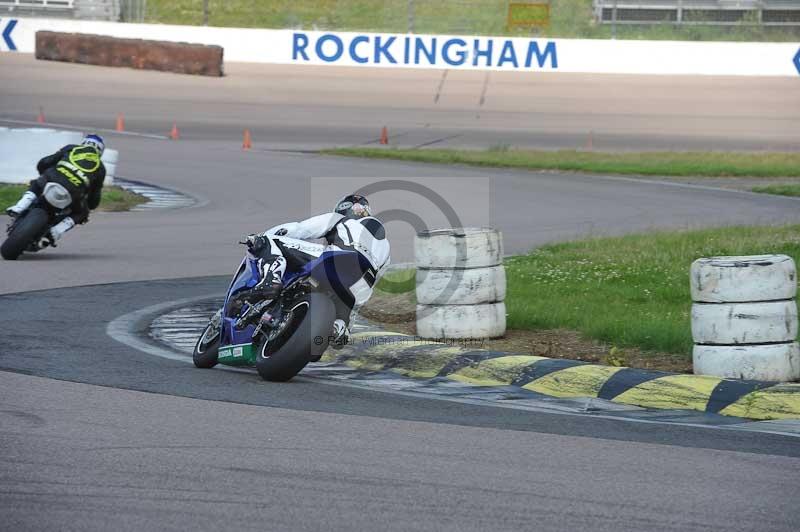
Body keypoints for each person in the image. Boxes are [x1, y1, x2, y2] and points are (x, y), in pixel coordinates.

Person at [217, 194, 391, 348]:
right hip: (359, 285)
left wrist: (259, 238)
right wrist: (348, 320)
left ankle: (271, 280)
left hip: (337, 260)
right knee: (332, 331)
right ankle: (339, 327)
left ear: (342, 209)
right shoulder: (386, 247)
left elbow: (300, 230)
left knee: (269, 240)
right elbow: (370, 285)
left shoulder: (339, 219)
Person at [6, 134, 106, 245]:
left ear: (83, 143)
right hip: (73, 193)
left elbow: (45, 162)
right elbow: (94, 199)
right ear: (100, 151)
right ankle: (57, 230)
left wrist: (43, 171)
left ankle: (20, 206)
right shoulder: (100, 168)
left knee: (38, 183)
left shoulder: (71, 148)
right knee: (82, 213)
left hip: (52, 179)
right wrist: (89, 205)